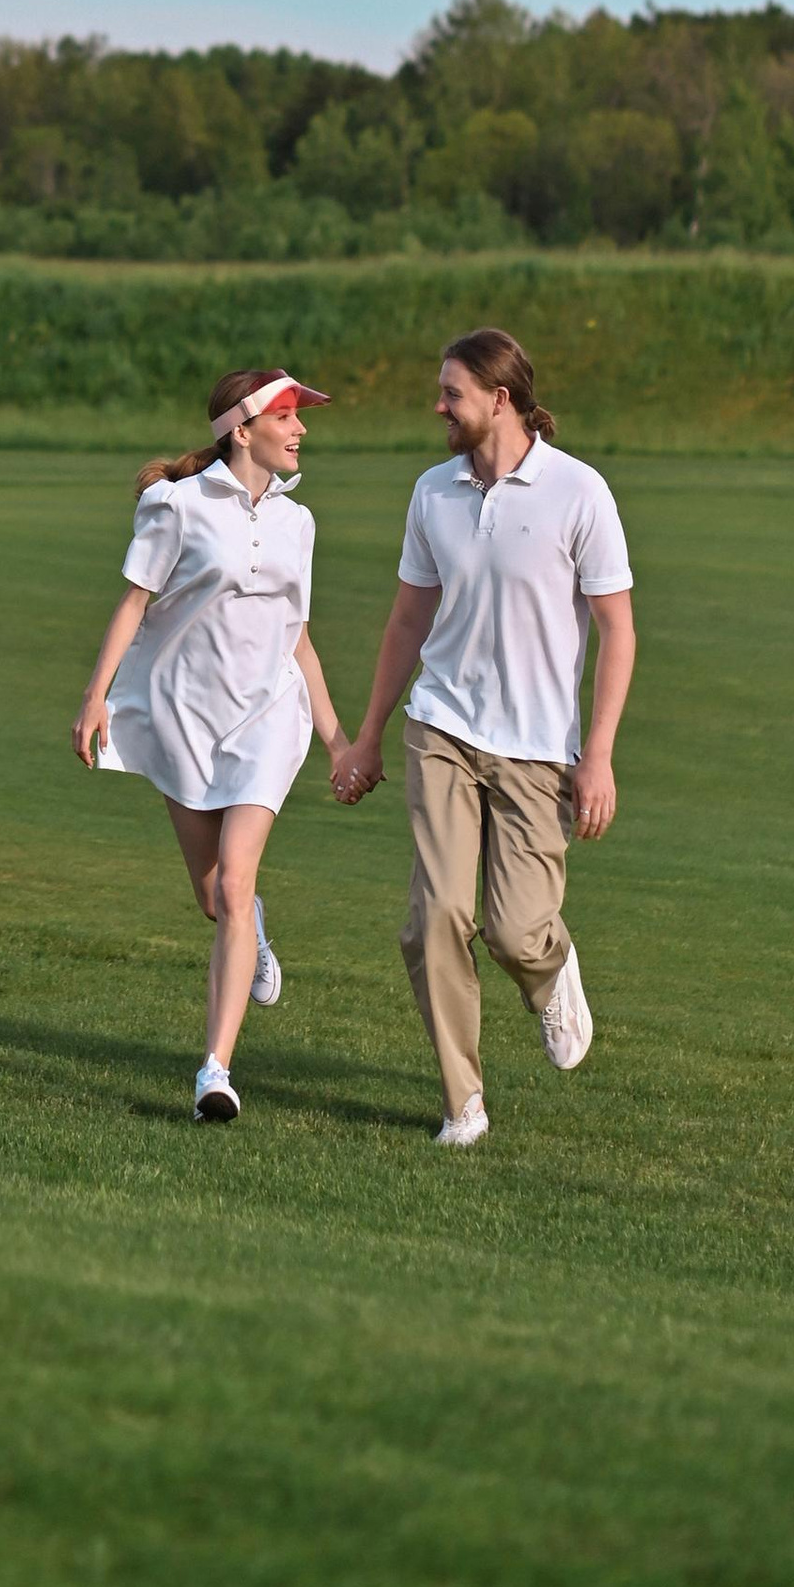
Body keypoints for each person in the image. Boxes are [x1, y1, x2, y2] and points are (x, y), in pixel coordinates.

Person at [335, 328, 635, 1150]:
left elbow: (618, 630)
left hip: (539, 746)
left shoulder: (579, 492)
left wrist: (598, 753)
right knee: (434, 915)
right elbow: (407, 617)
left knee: (513, 927)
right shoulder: (434, 492)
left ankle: (549, 968)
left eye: (452, 393)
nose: (439, 406)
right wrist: (367, 736)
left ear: (499, 399)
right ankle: (462, 1101)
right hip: (442, 727)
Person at [72, 366, 356, 1122]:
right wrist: (97, 695)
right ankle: (251, 928)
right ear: (242, 428)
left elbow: (298, 640)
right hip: (182, 716)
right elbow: (135, 601)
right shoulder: (177, 505)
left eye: (300, 417)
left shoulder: (299, 523)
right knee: (214, 897)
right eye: (287, 416)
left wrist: (337, 739)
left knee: (233, 883)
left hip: (266, 718)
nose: (300, 430)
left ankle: (215, 1071)